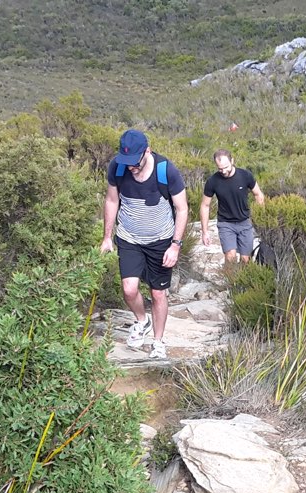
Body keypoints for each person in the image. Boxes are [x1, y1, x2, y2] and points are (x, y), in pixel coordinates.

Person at [101, 129, 188, 360]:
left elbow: (182, 208)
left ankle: (158, 342)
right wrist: (107, 237)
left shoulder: (165, 170)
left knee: (158, 293)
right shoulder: (117, 168)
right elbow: (112, 200)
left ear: (147, 151)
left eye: (134, 162)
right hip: (129, 238)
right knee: (129, 289)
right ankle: (142, 320)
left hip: (161, 240)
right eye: (126, 161)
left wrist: (175, 245)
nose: (131, 167)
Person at [199, 149, 265, 267]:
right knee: (230, 256)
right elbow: (205, 205)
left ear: (232, 161)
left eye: (226, 167)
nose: (224, 171)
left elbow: (258, 194)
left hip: (245, 222)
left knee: (246, 259)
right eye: (220, 169)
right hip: (226, 223)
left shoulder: (245, 176)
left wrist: (260, 217)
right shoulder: (212, 181)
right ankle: (228, 283)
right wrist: (205, 231)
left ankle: (242, 283)